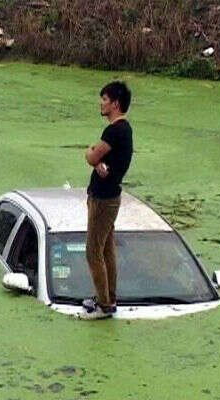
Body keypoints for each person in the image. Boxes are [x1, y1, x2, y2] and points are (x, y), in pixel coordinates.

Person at [79, 81, 133, 320]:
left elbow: (92, 156)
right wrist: (98, 159)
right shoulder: (126, 130)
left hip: (103, 199)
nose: (101, 103)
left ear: (116, 104)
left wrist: (90, 152)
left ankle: (103, 305)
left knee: (93, 251)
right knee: (107, 248)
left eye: (104, 99)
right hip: (111, 195)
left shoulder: (114, 130)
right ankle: (109, 297)